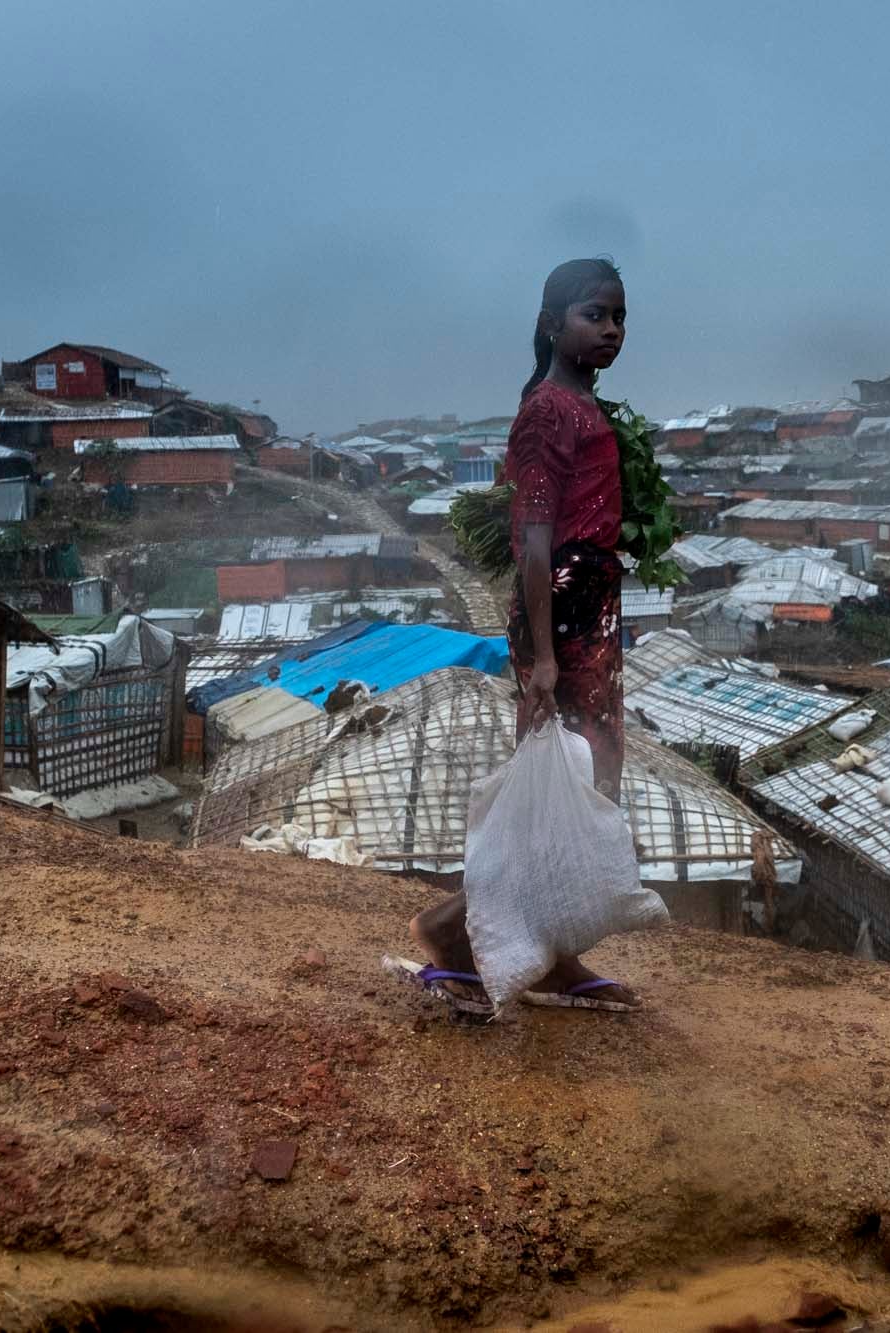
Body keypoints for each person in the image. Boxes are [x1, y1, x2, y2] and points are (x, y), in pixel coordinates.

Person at [393, 257, 640, 1016]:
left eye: (619, 317)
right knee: (557, 784)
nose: (610, 330)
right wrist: (540, 656)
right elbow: (534, 541)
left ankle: (551, 947)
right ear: (550, 324)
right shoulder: (549, 412)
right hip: (560, 612)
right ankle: (453, 929)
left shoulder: (583, 406)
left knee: (587, 779)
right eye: (593, 315)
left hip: (588, 606)